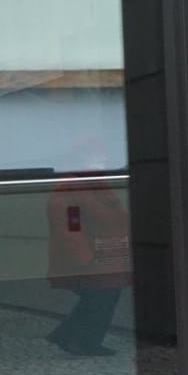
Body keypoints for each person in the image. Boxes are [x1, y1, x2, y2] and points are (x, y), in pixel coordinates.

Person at [45, 144, 131, 356]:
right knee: (101, 297)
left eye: (102, 158)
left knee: (101, 297)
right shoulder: (72, 187)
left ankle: (69, 335)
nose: (101, 162)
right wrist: (85, 256)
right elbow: (71, 226)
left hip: (108, 254)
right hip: (93, 256)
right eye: (95, 158)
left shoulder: (97, 184)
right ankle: (81, 340)